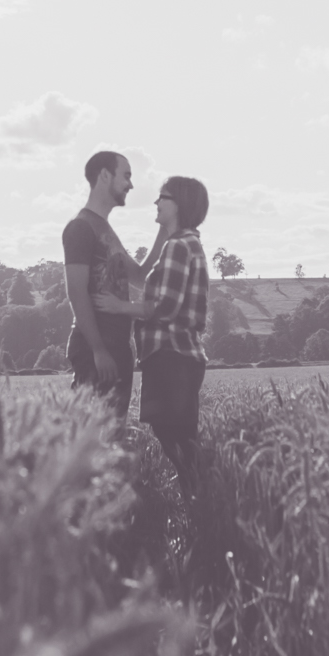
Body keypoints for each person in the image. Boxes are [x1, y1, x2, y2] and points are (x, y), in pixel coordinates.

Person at [133, 174, 210, 489]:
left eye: (162, 196)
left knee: (171, 433)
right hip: (182, 355)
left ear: (179, 204)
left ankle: (199, 495)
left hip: (170, 354)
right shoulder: (187, 243)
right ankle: (200, 497)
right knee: (180, 435)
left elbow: (166, 307)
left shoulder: (179, 246)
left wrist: (118, 307)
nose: (156, 201)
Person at [62, 150, 146, 419]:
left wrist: (166, 231)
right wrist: (98, 349)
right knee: (90, 435)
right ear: (104, 176)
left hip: (118, 344)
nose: (131, 185)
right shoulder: (80, 227)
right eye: (126, 176)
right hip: (96, 347)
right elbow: (76, 291)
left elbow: (140, 277)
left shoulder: (105, 228)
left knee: (112, 435)